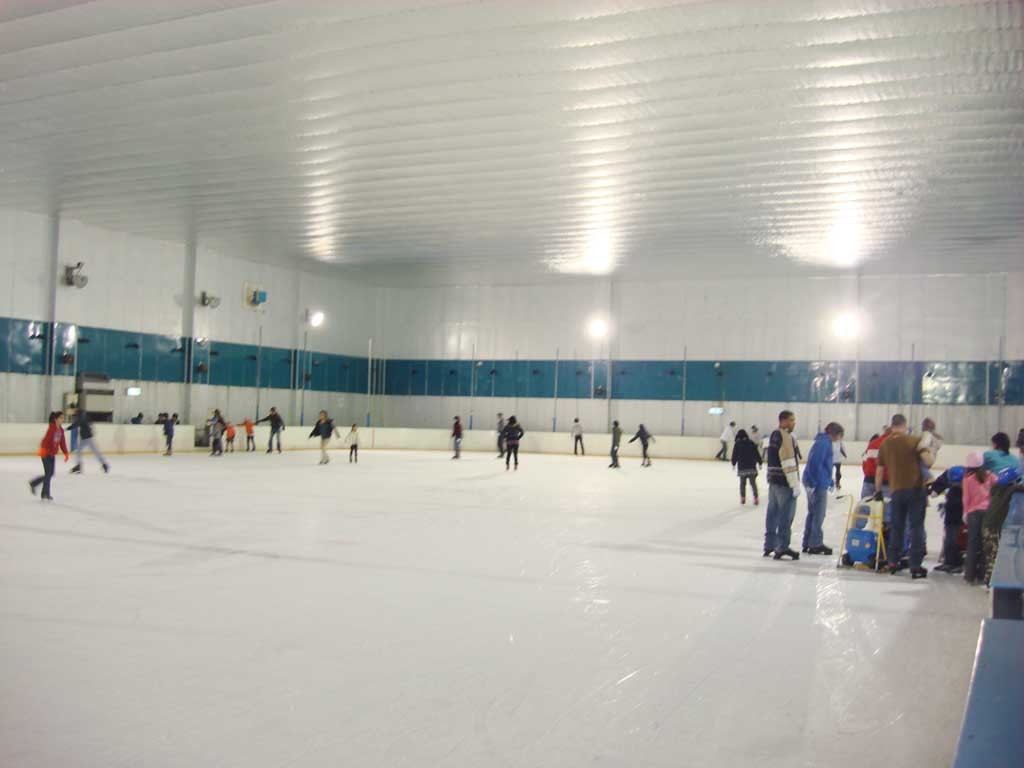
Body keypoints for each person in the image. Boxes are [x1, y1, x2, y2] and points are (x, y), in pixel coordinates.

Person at [875, 413, 932, 578]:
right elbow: (928, 462)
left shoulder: (885, 444)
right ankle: (915, 565)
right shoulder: (914, 441)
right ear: (904, 425)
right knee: (916, 527)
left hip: (896, 491)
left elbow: (879, 472)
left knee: (897, 526)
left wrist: (878, 491)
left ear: (892, 426)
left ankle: (893, 561)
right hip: (916, 490)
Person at [981, 432, 1023, 584]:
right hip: (1005, 517)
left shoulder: (989, 456)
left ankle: (989, 578)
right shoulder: (1015, 461)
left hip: (993, 517)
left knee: (992, 549)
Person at [763, 410, 801, 560]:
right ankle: (782, 546)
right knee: (786, 515)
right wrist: (794, 484)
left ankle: (770, 544)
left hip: (773, 481)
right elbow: (788, 461)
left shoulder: (773, 435)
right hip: (785, 483)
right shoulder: (785, 437)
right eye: (791, 420)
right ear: (783, 421)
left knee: (772, 513)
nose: (793, 423)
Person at [801, 422, 844, 555]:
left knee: (813, 513)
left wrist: (829, 480)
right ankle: (815, 543)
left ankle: (808, 541)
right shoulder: (824, 443)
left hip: (819, 481)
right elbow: (815, 464)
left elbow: (823, 465)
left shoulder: (823, 442)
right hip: (817, 483)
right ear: (835, 434)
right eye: (840, 435)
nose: (840, 439)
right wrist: (814, 483)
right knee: (819, 514)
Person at [961, 453, 994, 585]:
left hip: (973, 513)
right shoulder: (990, 476)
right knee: (986, 543)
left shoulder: (967, 479)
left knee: (973, 544)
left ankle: (969, 575)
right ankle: (982, 574)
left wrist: (965, 513)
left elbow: (966, 498)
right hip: (988, 512)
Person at [930, 465, 965, 574]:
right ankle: (949, 561)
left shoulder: (962, 491)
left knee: (954, 541)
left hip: (958, 521)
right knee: (949, 541)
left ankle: (955, 562)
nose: (956, 485)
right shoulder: (953, 490)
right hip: (950, 520)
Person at [29, 412, 69, 501]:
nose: (62, 419)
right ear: (56, 419)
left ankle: (41, 490)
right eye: (61, 418)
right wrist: (43, 449)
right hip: (45, 453)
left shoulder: (61, 430)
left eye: (63, 418)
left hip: (52, 454)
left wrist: (66, 453)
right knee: (48, 474)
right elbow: (45, 440)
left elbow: (62, 442)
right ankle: (42, 491)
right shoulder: (52, 428)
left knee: (50, 474)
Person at [70, 408, 109, 475]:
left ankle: (104, 464)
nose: (76, 416)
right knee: (81, 452)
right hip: (85, 439)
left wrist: (67, 428)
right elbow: (90, 426)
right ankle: (78, 466)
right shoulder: (85, 418)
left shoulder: (81, 419)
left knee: (94, 452)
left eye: (77, 414)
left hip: (88, 439)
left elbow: (75, 424)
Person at [731, 429, 762, 505]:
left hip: (742, 467)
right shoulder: (751, 442)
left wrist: (733, 463)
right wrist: (760, 462)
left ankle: (743, 498)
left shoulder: (737, 444)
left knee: (742, 483)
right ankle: (756, 498)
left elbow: (734, 454)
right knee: (753, 483)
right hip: (751, 467)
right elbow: (756, 453)